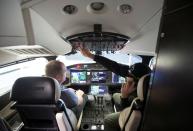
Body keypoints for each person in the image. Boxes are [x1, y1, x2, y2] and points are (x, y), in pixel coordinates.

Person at [78, 47, 151, 131]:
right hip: (129, 100)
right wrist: (91, 56)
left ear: (138, 81)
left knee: (108, 119)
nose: (126, 76)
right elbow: (114, 66)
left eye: (129, 76)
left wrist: (124, 96)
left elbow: (128, 112)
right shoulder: (143, 81)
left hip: (129, 108)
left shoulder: (140, 97)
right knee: (116, 95)